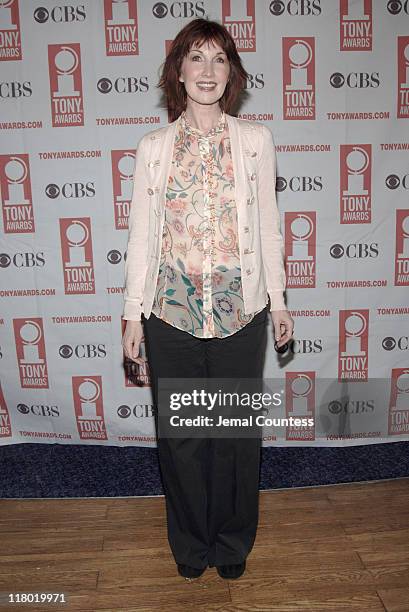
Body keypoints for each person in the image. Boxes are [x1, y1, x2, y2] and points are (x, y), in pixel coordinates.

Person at [122, 17, 294, 581]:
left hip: (241, 313)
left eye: (219, 59)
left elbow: (269, 227)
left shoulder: (255, 142)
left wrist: (281, 301)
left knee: (235, 437)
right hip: (169, 314)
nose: (207, 70)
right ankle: (191, 547)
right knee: (182, 440)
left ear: (232, 74)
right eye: (196, 57)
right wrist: (131, 315)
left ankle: (230, 542)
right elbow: (142, 238)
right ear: (178, 70)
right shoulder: (153, 148)